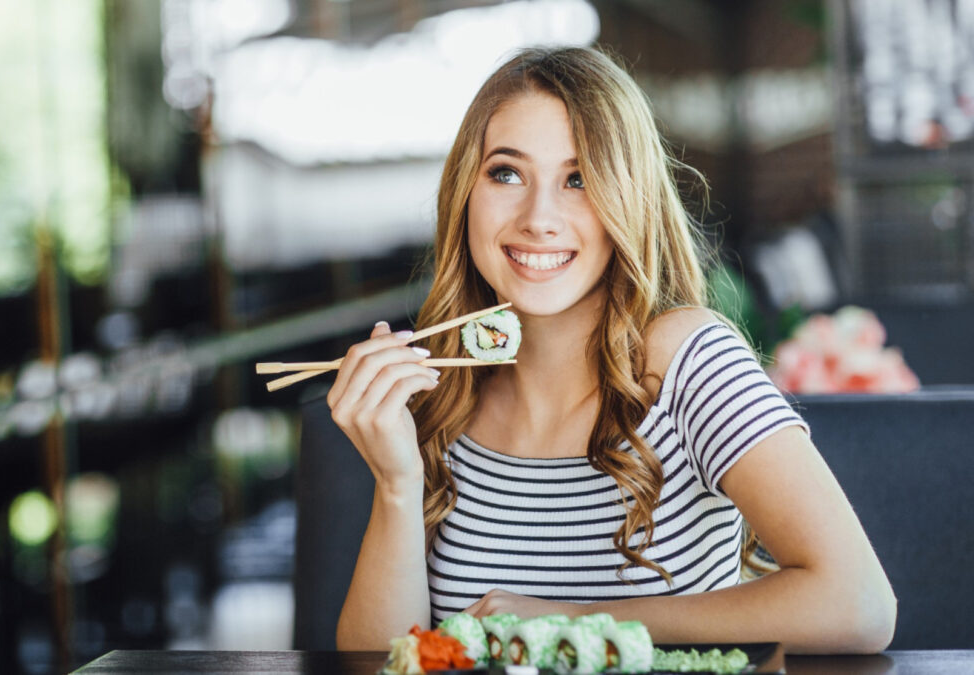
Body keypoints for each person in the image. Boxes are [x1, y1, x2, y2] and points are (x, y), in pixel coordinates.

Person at [326, 47, 896, 654]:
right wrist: (397, 482)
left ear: (630, 198)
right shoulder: (440, 391)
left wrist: (576, 618)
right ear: (464, 192)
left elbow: (859, 603)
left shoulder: (687, 359)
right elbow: (378, 662)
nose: (539, 218)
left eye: (578, 179)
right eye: (507, 174)